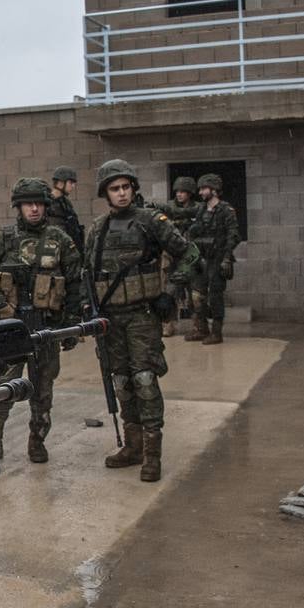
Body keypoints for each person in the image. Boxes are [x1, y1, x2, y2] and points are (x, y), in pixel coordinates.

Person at [84, 159, 199, 482]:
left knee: (145, 379)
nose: (121, 194)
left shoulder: (150, 221)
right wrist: (85, 309)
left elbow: (189, 254)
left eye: (125, 187)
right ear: (105, 193)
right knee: (121, 381)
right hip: (110, 319)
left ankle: (152, 454)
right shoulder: (97, 228)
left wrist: (171, 292)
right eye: (114, 188)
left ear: (133, 188)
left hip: (142, 315)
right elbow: (87, 275)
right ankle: (132, 447)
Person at [0, 178, 83, 464]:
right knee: (2, 390)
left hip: (47, 328)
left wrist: (71, 325)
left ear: (46, 206)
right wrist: (1, 303)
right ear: (19, 207)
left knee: (42, 391)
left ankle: (37, 441)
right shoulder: (5, 238)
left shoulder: (60, 239)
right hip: (12, 330)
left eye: (38, 204)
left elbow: (75, 283)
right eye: (27, 204)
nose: (33, 209)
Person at [184, 173, 241, 346]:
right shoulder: (202, 209)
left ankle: (216, 333)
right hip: (202, 258)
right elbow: (195, 229)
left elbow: (234, 235)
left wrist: (226, 258)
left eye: (204, 189)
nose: (200, 192)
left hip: (218, 258)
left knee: (215, 296)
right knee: (196, 295)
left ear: (214, 190)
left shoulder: (226, 210)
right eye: (200, 189)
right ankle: (201, 329)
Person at [154, 176, 200, 337]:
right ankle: (168, 324)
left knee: (194, 293)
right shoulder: (169, 208)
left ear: (190, 193)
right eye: (178, 191)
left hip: (190, 256)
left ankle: (198, 324)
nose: (179, 194)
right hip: (171, 255)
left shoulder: (198, 208)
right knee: (169, 291)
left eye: (183, 192)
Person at [46, 165, 86, 251]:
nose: (73, 186)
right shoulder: (48, 204)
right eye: (71, 182)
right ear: (60, 183)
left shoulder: (66, 203)